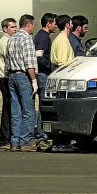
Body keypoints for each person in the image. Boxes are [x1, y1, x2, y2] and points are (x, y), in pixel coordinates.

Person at [6, 14, 38, 152]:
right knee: (28, 111)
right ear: (29, 25)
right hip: (24, 76)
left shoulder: (12, 38)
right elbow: (30, 63)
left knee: (15, 111)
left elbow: (7, 60)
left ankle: (15, 141)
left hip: (12, 75)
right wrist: (34, 80)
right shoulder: (27, 39)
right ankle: (25, 141)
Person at [50, 14, 79, 152]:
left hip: (61, 80)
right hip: (63, 81)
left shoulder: (62, 39)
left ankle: (61, 142)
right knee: (63, 113)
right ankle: (60, 143)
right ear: (67, 25)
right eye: (71, 23)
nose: (72, 25)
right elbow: (62, 63)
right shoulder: (62, 41)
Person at [33, 12, 58, 150]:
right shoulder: (43, 37)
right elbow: (39, 56)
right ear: (48, 24)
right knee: (44, 105)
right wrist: (50, 66)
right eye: (54, 23)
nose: (55, 25)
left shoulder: (42, 36)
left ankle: (41, 134)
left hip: (41, 74)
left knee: (43, 105)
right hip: (43, 74)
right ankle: (41, 135)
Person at [0, 18, 17, 151]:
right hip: (5, 77)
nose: (15, 29)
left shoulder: (9, 40)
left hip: (6, 77)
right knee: (7, 109)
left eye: (15, 27)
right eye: (12, 27)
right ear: (5, 29)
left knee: (9, 109)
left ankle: (6, 138)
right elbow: (10, 59)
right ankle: (4, 139)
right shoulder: (6, 41)